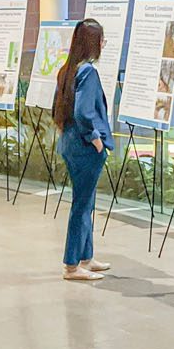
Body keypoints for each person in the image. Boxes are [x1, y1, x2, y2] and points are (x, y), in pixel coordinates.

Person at [52, 19, 114, 283]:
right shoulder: (88, 72)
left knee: (86, 202)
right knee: (81, 204)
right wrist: (96, 140)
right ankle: (71, 264)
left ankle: (86, 256)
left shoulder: (68, 69)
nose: (104, 44)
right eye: (101, 39)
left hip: (69, 142)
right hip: (85, 146)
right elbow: (83, 111)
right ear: (93, 43)